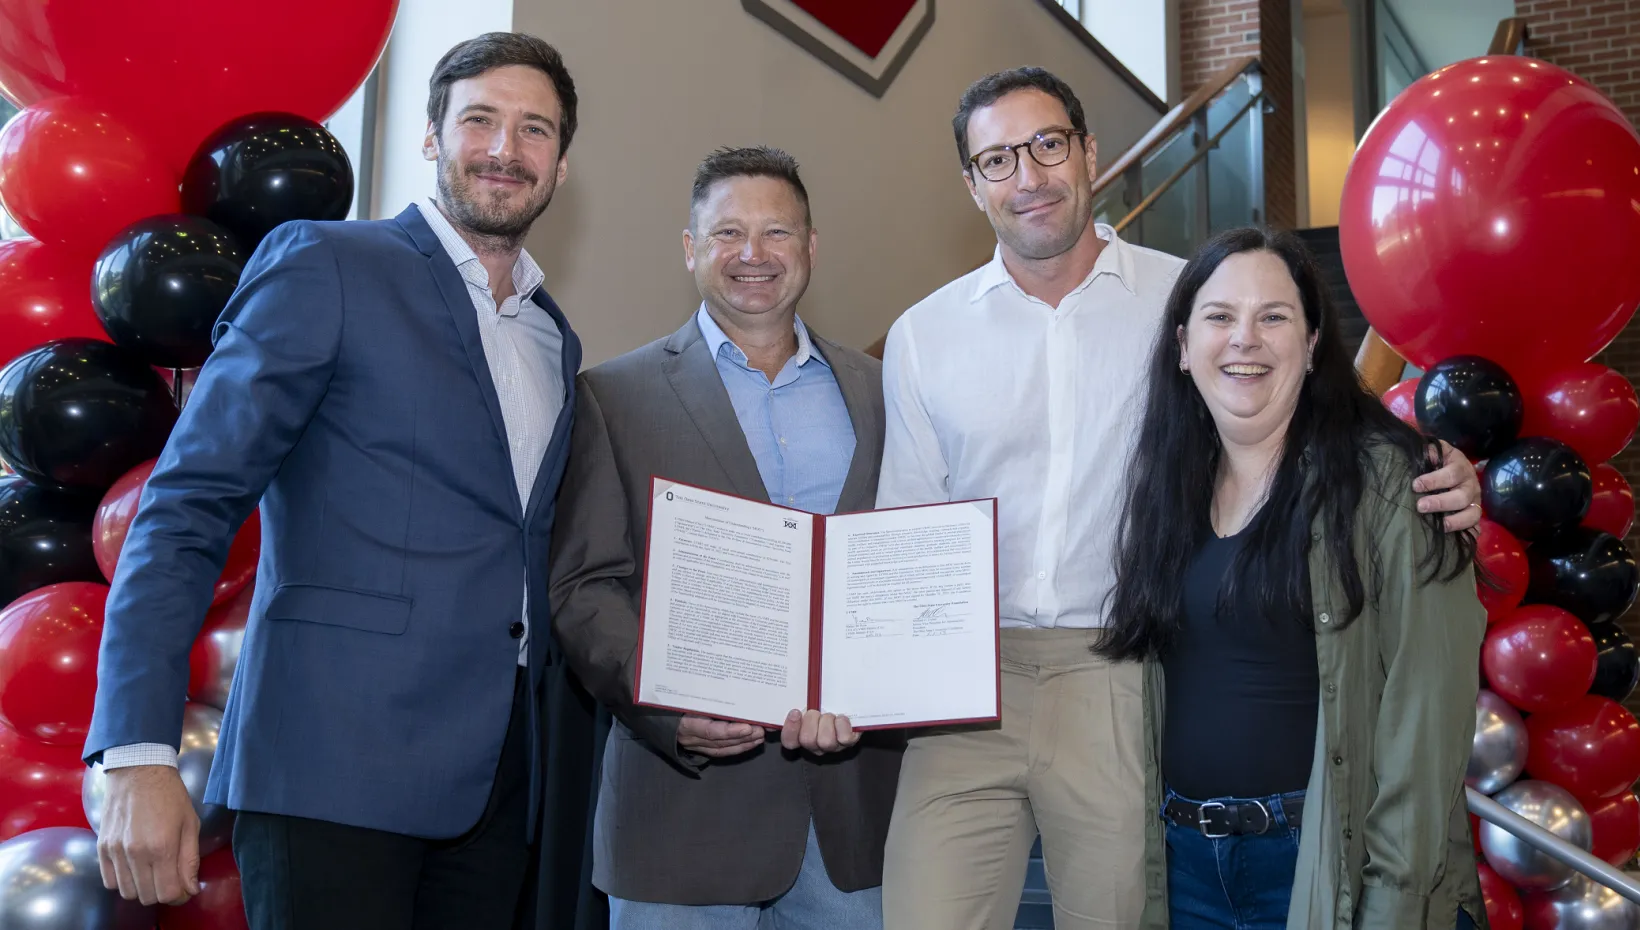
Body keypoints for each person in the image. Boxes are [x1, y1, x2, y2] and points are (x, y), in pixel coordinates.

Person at [874, 67, 1483, 930]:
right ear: (972, 186)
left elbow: (1304, 412)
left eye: (1048, 145)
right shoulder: (922, 335)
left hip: (1118, 666)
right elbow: (902, 537)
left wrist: (1429, 464)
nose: (1029, 176)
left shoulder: (1191, 296)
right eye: (998, 159)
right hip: (970, 677)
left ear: (1089, 154)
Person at [83, 32, 599, 930]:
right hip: (332, 768)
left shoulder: (554, 338)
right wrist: (134, 746)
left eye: (534, 130)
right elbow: (187, 505)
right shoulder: (327, 264)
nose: (505, 150)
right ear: (434, 137)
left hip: (500, 788)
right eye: (480, 120)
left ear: (561, 161)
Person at [549, 145, 901, 930]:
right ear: (690, 249)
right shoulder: (614, 395)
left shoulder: (884, 392)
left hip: (852, 828)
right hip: (681, 819)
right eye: (728, 233)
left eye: (777, 234)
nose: (753, 255)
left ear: (811, 248)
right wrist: (668, 709)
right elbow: (585, 589)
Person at [1097, 226, 1485, 929]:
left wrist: (1394, 901)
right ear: (1183, 348)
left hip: (1325, 866)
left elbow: (1428, 723)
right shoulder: (1164, 491)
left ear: (1311, 347)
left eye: (1273, 317)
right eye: (1220, 317)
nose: (1244, 338)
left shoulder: (1394, 483)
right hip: (1184, 867)